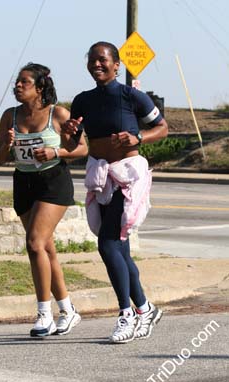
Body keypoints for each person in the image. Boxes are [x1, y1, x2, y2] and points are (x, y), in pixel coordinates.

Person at [62, 42, 168, 344]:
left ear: (116, 65)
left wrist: (138, 136)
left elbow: (163, 128)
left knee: (107, 244)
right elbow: (73, 146)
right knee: (119, 249)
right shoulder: (83, 101)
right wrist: (68, 133)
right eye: (92, 60)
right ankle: (146, 308)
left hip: (129, 176)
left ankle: (127, 313)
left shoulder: (130, 95)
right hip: (101, 176)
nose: (97, 64)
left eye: (103, 60)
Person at [0, 62, 88, 337]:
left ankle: (44, 315)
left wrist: (56, 152)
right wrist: (7, 146)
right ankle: (68, 310)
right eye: (17, 82)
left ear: (39, 87)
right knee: (46, 250)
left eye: (25, 82)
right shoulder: (9, 116)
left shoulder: (57, 114)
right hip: (23, 182)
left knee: (34, 243)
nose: (18, 86)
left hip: (53, 182)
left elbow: (83, 148)